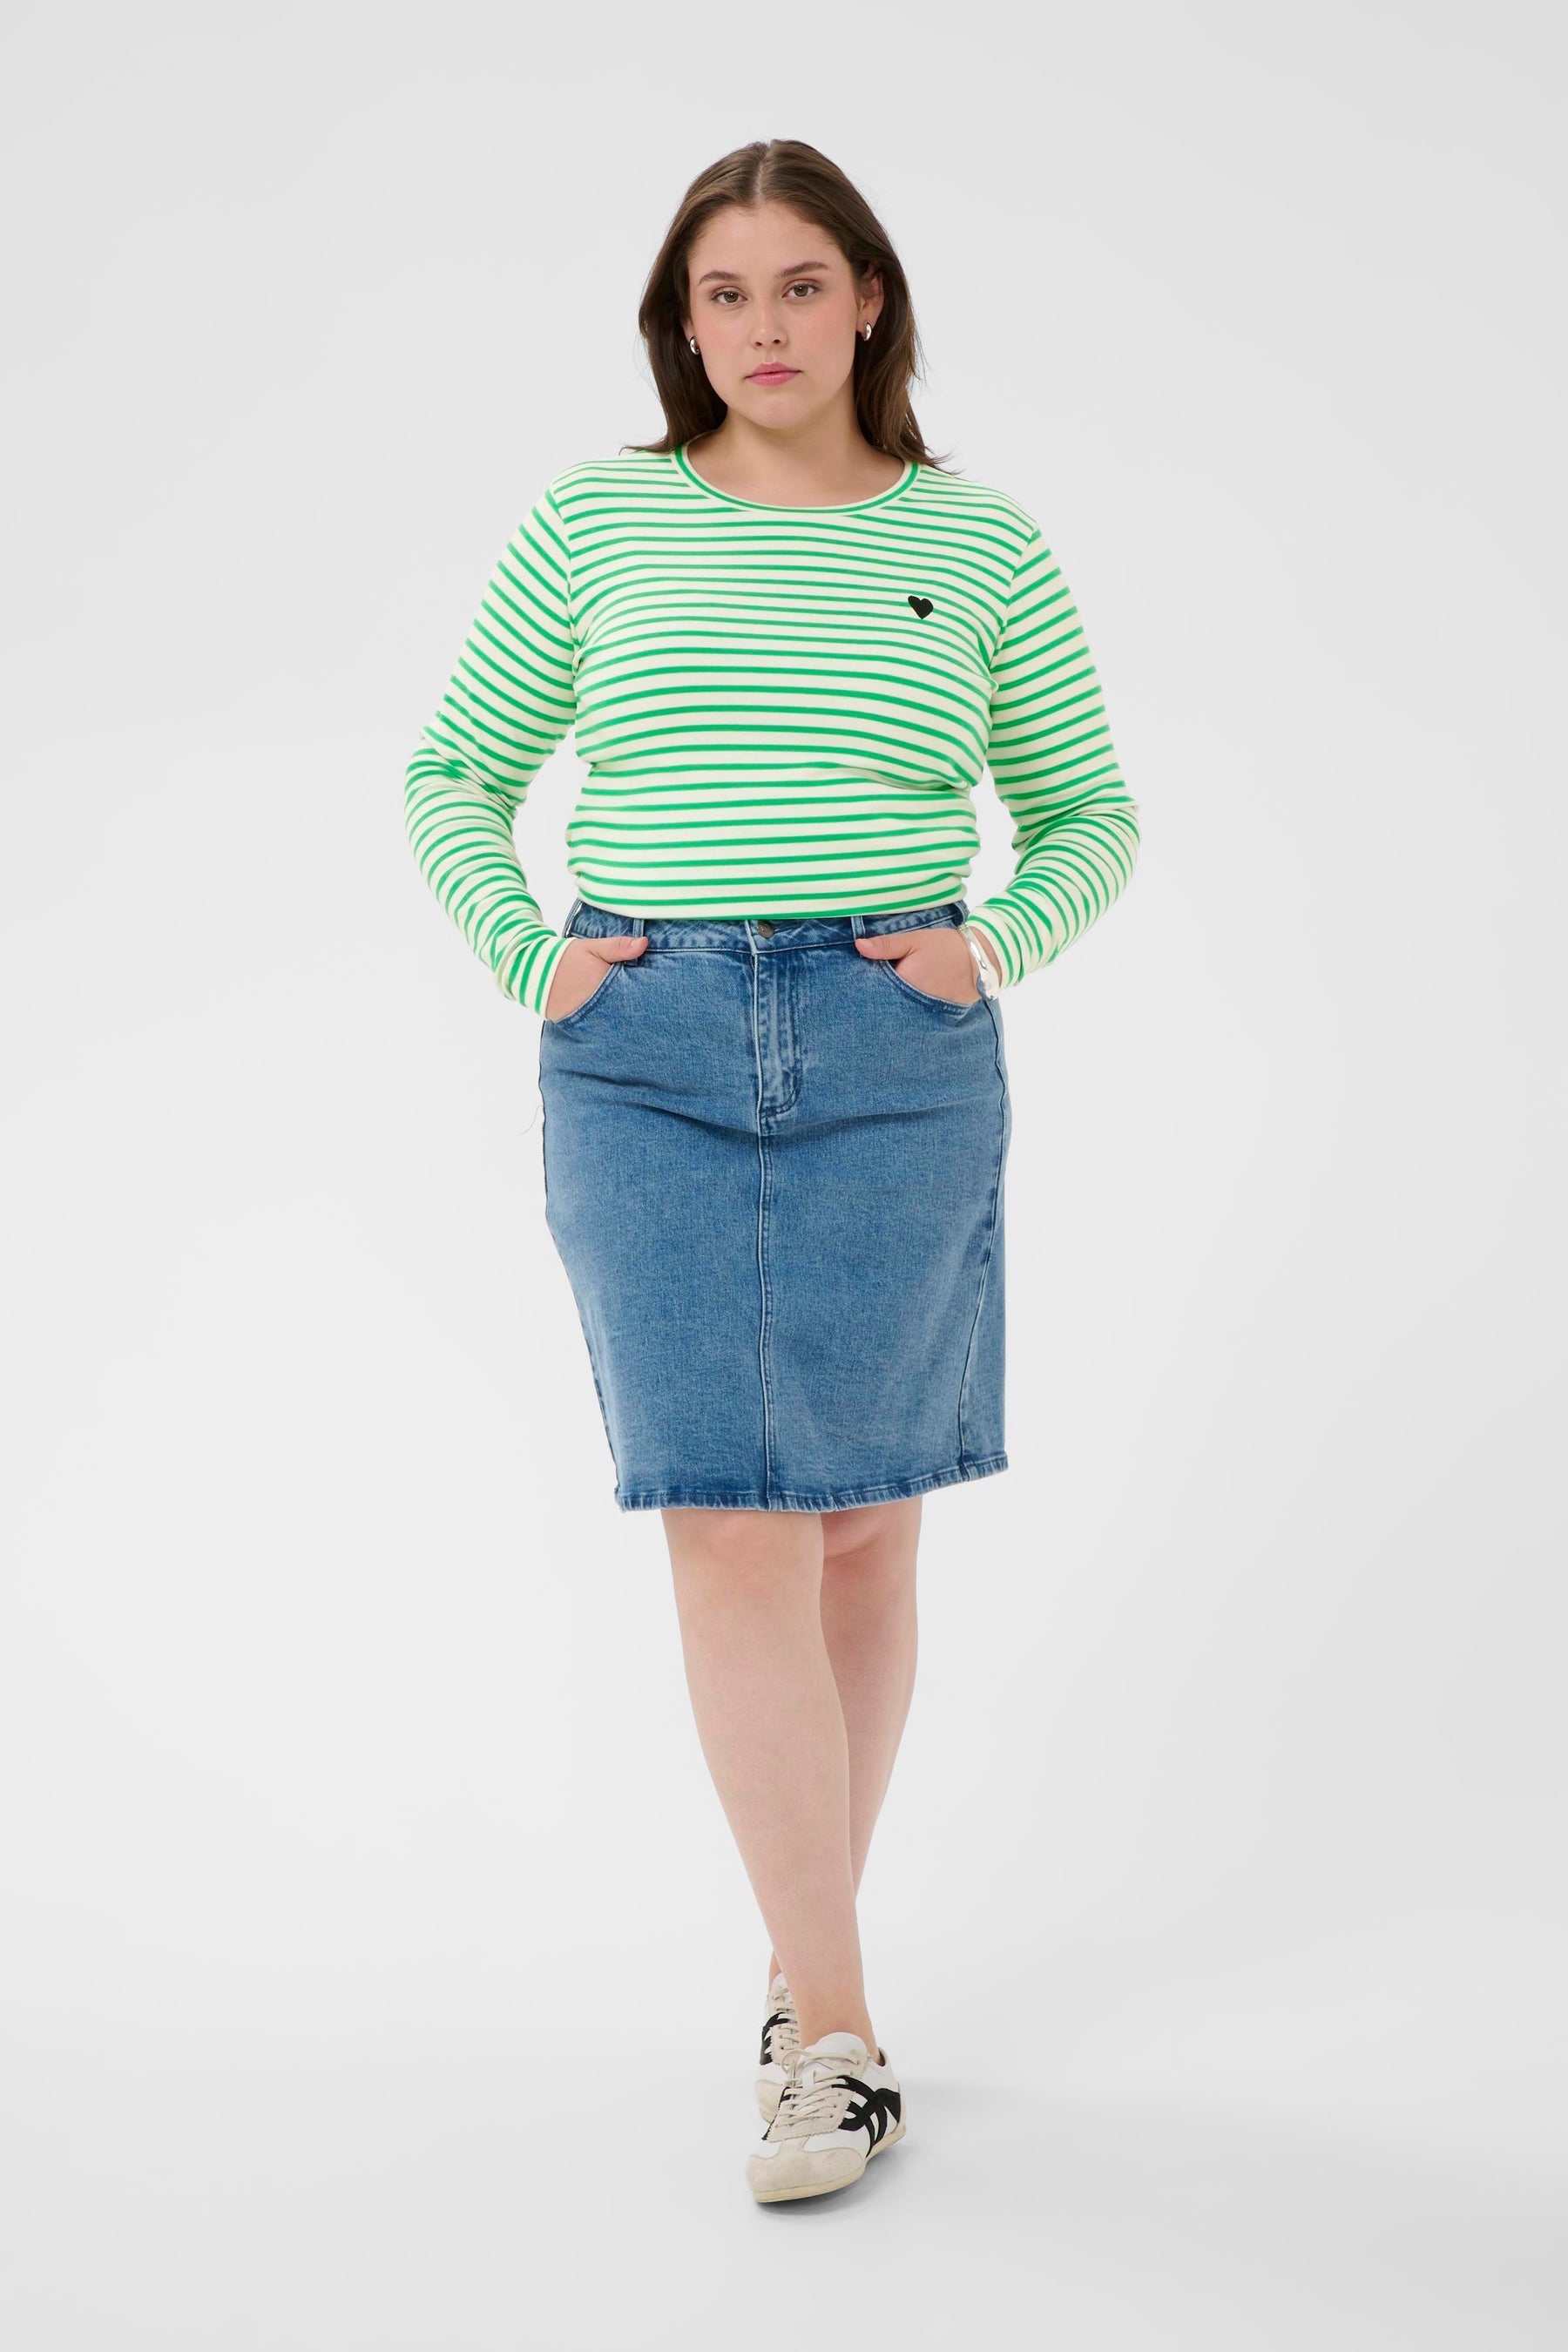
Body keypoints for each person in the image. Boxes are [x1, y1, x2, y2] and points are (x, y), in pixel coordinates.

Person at [403, 138, 1139, 2206]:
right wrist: (532, 956)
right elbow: (453, 771)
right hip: (640, 1050)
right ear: (683, 323)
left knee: (867, 1527)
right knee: (728, 1519)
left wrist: (992, 942)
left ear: (870, 299)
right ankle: (835, 2035)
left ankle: (801, 1968)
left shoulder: (975, 541)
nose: (764, 327)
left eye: (800, 285)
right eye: (722, 295)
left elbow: (1091, 808)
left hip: (896, 1051)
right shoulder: (596, 522)